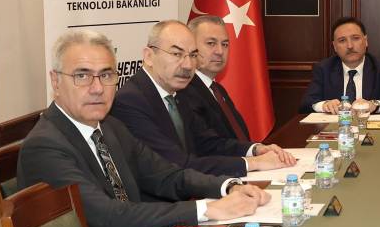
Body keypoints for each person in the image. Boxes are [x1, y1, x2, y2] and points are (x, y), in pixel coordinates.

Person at [17, 30, 268, 227]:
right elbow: (110, 216)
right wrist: (206, 209)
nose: (97, 88)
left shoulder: (110, 126)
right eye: (82, 76)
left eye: (106, 75)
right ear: (55, 81)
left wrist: (228, 186)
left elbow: (166, 175)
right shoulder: (45, 147)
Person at [110, 20, 295, 177]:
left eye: (192, 55)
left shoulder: (177, 93)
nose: (188, 65)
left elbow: (207, 144)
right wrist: (252, 163)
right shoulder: (130, 102)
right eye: (177, 54)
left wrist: (256, 150)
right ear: (149, 56)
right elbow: (176, 165)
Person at [301, 16, 380, 114]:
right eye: (342, 40)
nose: (350, 46)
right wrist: (324, 105)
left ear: (365, 41)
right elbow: (305, 104)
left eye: (355, 38)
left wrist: (374, 105)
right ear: (335, 46)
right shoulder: (324, 68)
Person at [178, 15, 255, 143]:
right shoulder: (185, 90)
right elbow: (208, 144)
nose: (220, 51)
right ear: (190, 47)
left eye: (225, 44)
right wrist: (253, 150)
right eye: (211, 43)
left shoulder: (218, 90)